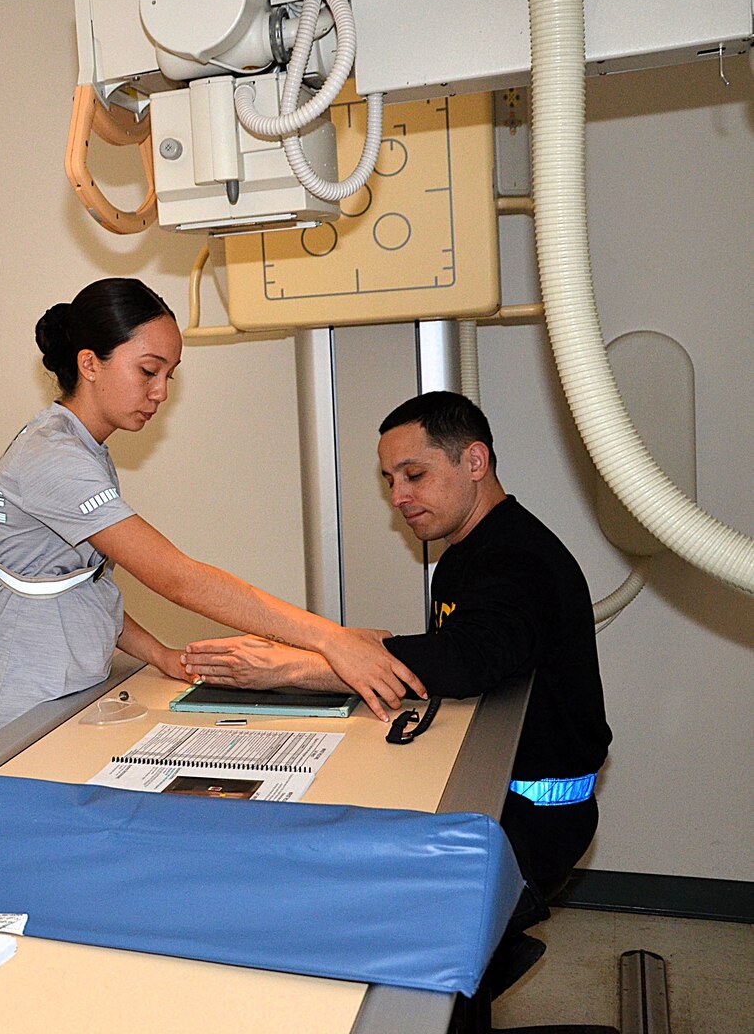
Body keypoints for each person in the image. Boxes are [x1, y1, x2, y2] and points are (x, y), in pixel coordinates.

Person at [184, 391, 611, 1009]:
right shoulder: (467, 554)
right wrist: (353, 646)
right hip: (498, 790)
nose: (399, 497)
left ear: (475, 460)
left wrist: (302, 668)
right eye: (389, 480)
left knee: (367, 907)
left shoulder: (519, 558)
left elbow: (467, 661)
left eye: (415, 475)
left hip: (530, 820)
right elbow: (458, 649)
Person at [0, 277, 426, 752]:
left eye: (168, 376)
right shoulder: (54, 458)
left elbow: (79, 585)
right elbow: (177, 577)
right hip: (8, 730)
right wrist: (330, 639)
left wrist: (161, 655)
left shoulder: (79, 447)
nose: (160, 392)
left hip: (61, 708)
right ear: (90, 363)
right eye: (148, 371)